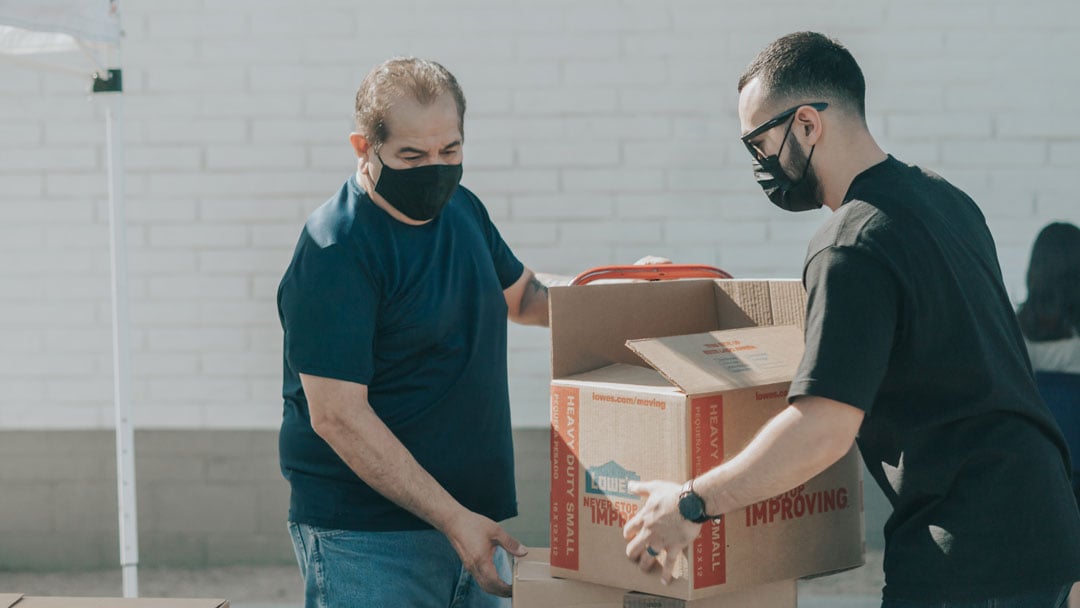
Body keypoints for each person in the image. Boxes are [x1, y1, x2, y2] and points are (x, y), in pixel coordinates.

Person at [622, 32, 1080, 607]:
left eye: (760, 143)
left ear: (808, 125)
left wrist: (691, 503)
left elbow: (823, 428)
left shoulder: (849, 245)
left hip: (965, 558)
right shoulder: (949, 202)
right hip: (1048, 533)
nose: (760, 164)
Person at [276, 57, 555, 607]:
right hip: (366, 543)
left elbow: (524, 297)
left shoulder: (463, 210)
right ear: (363, 148)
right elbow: (336, 414)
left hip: (475, 526)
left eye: (450, 151)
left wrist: (621, 288)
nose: (436, 169)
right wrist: (454, 521)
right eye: (412, 155)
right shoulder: (337, 249)